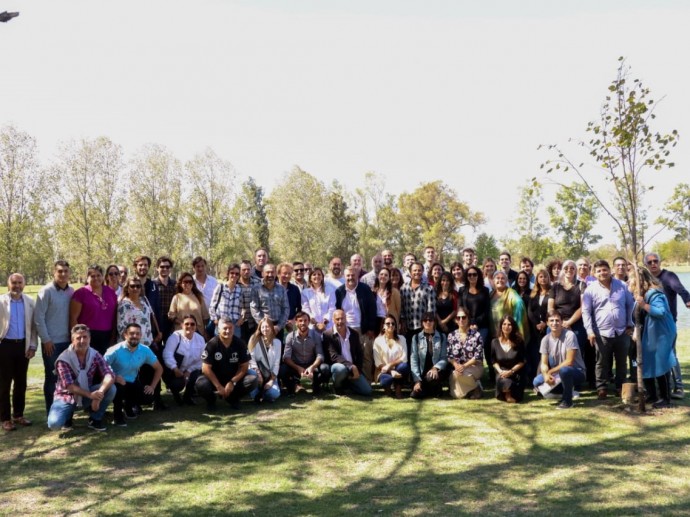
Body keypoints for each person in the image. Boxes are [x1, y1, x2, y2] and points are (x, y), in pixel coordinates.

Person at [47, 324, 116, 432]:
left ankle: (95, 419)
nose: (82, 341)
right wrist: (90, 395)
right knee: (54, 425)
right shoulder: (63, 359)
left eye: (85, 337)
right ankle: (67, 417)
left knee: (111, 389)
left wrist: (99, 394)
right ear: (72, 340)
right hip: (66, 397)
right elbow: (69, 386)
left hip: (87, 394)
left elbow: (109, 374)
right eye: (78, 338)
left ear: (90, 339)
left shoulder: (95, 354)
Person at [582, 259, 634, 400]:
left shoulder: (622, 286)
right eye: (599, 271)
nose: (602, 273)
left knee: (622, 361)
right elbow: (586, 312)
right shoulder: (590, 290)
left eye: (604, 270)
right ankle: (602, 387)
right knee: (601, 362)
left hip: (622, 331)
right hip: (601, 332)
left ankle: (620, 387)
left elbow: (630, 305)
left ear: (610, 270)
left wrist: (630, 323)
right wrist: (589, 331)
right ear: (594, 273)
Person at [629, 267, 677, 409]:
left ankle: (665, 398)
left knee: (660, 363)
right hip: (649, 334)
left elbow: (660, 312)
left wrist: (644, 304)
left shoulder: (653, 293)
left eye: (631, 279)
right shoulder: (642, 294)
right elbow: (640, 317)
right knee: (646, 363)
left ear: (640, 280)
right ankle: (652, 395)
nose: (629, 282)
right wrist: (636, 330)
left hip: (661, 333)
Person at [644, 252, 690, 399]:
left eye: (655, 261)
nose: (653, 264)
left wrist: (687, 300)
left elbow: (681, 289)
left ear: (660, 262)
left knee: (670, 355)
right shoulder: (646, 279)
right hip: (652, 326)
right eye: (649, 262)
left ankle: (679, 388)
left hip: (667, 324)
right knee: (656, 356)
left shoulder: (668, 276)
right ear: (646, 265)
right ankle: (663, 389)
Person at [34, 260, 74, 414]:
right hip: (52, 344)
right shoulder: (46, 291)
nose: (63, 274)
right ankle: (51, 411)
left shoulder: (71, 292)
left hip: (68, 343)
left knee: (67, 378)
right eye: (60, 271)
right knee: (52, 378)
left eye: (65, 271)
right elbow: (39, 318)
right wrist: (46, 340)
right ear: (54, 272)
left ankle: (66, 411)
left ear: (69, 273)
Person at [104, 323, 164, 426]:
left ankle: (128, 408)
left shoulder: (145, 350)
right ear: (125, 335)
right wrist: (114, 377)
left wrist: (152, 386)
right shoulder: (114, 350)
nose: (135, 336)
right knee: (120, 387)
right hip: (115, 383)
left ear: (141, 336)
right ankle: (117, 415)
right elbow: (101, 367)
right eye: (131, 333)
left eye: (137, 334)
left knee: (148, 396)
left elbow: (159, 369)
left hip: (132, 381)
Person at [0, 273, 38, 431]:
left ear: (24, 284)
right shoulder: (1, 301)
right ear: (9, 284)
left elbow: (34, 327)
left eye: (19, 282)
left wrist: (33, 346)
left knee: (21, 383)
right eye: (14, 283)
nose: (17, 285)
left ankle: (18, 415)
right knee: (3, 384)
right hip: (4, 346)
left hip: (23, 346)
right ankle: (5, 418)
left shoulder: (30, 302)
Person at [195, 319, 258, 410]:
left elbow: (244, 366)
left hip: (232, 378)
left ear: (234, 328)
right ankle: (211, 400)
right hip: (214, 379)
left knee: (253, 380)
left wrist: (233, 382)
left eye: (230, 328)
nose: (228, 331)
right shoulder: (211, 344)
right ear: (219, 329)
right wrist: (218, 386)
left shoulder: (240, 343)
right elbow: (205, 368)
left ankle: (233, 398)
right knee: (201, 384)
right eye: (225, 328)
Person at [547, 259, 592, 387]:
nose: (569, 270)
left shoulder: (581, 285)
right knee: (553, 353)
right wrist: (557, 322)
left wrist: (569, 322)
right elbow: (551, 307)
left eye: (572, 268)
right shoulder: (555, 286)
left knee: (575, 354)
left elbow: (583, 307)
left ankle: (574, 383)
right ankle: (554, 381)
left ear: (575, 270)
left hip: (576, 323)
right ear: (563, 270)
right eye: (566, 268)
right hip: (556, 324)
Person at [533, 310, 587, 410]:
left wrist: (551, 371)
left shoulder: (570, 335)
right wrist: (545, 375)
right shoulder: (545, 339)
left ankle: (567, 401)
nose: (554, 323)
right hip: (557, 374)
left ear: (562, 322)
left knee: (565, 370)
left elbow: (569, 362)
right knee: (536, 382)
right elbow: (544, 363)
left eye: (557, 320)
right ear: (547, 323)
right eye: (551, 320)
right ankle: (566, 391)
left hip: (576, 371)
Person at [335, 267, 378, 382]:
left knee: (366, 356)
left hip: (363, 328)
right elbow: (337, 310)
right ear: (344, 277)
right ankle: (349, 381)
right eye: (348, 275)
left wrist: (371, 328)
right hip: (346, 329)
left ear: (357, 275)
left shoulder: (365, 289)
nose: (350, 278)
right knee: (349, 356)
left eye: (353, 275)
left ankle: (367, 381)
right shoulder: (339, 291)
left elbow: (372, 309)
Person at [69, 264, 118, 355]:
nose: (96, 278)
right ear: (87, 278)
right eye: (92, 276)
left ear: (103, 277)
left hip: (108, 336)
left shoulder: (110, 292)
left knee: (104, 365)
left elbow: (114, 316)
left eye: (98, 275)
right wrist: (77, 338)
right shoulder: (80, 293)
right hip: (87, 336)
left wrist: (113, 336)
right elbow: (73, 318)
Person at [490, 270, 528, 380]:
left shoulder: (511, 293)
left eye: (503, 278)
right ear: (493, 280)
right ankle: (496, 377)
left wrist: (515, 329)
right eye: (497, 278)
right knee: (495, 357)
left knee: (510, 357)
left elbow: (519, 304)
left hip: (507, 333)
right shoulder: (491, 294)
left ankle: (512, 376)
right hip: (494, 332)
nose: (500, 280)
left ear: (506, 281)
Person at [281, 311, 330, 395]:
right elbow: (286, 357)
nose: (303, 323)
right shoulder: (290, 336)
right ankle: (292, 386)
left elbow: (320, 355)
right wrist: (298, 368)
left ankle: (317, 385)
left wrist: (312, 367)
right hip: (296, 365)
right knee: (282, 369)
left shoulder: (316, 335)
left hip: (311, 364)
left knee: (325, 368)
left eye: (305, 320)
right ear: (296, 322)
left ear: (308, 322)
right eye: (300, 321)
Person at [325, 309, 372, 396]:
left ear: (346, 319)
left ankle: (348, 384)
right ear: (333, 320)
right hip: (339, 367)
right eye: (337, 319)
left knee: (367, 391)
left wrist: (357, 369)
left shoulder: (354, 333)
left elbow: (359, 354)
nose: (340, 321)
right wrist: (350, 366)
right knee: (340, 369)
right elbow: (334, 356)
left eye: (342, 318)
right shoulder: (328, 335)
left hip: (352, 369)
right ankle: (337, 387)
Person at [162, 315, 205, 406]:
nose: (190, 326)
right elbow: (167, 354)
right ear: (182, 325)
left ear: (196, 326)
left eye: (192, 324)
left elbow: (202, 359)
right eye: (187, 324)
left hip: (190, 370)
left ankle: (188, 397)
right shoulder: (175, 337)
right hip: (174, 370)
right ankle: (176, 395)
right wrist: (175, 368)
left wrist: (189, 371)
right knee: (177, 384)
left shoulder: (200, 339)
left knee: (197, 374)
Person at [400, 262, 437, 358]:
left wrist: (427, 326)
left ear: (423, 271)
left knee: (423, 353)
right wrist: (403, 321)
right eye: (415, 270)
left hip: (422, 327)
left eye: (419, 270)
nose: (417, 272)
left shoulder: (429, 288)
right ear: (410, 272)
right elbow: (402, 307)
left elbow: (431, 309)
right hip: (408, 327)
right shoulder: (404, 288)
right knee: (409, 353)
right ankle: (411, 373)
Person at [446, 308, 483, 400]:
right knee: (457, 395)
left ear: (468, 319)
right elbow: (449, 355)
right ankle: (474, 387)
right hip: (458, 368)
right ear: (455, 320)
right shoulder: (451, 336)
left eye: (464, 317)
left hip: (474, 366)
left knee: (458, 375)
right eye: (458, 318)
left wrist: (464, 366)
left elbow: (477, 356)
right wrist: (456, 365)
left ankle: (474, 387)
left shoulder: (476, 335)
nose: (461, 320)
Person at [410, 313, 448, 399]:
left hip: (435, 373)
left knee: (431, 377)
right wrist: (417, 380)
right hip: (421, 373)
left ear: (434, 322)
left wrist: (435, 368)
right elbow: (414, 359)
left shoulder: (442, 337)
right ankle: (430, 390)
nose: (428, 322)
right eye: (425, 320)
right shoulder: (415, 338)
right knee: (414, 395)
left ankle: (431, 389)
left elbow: (444, 358)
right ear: (422, 322)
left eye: (430, 320)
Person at [491, 315, 527, 403]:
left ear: (513, 326)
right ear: (500, 326)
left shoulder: (519, 341)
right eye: (504, 324)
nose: (506, 327)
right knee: (504, 381)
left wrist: (511, 371)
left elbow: (522, 361)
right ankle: (507, 395)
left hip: (515, 373)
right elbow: (493, 361)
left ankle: (509, 393)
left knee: (510, 383)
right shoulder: (494, 342)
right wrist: (500, 371)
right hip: (501, 373)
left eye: (509, 324)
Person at [373, 315, 409, 399]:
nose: (391, 325)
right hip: (383, 370)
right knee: (386, 380)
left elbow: (404, 357)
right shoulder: (377, 341)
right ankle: (388, 388)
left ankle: (398, 389)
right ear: (383, 326)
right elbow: (378, 363)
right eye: (388, 323)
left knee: (404, 367)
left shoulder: (402, 339)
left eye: (393, 324)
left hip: (398, 368)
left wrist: (390, 365)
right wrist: (390, 371)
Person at [117, 277, 160, 346]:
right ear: (127, 289)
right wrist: (132, 345)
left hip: (146, 345)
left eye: (138, 286)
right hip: (131, 347)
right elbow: (121, 328)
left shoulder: (144, 302)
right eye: (132, 286)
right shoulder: (124, 305)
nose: (135, 288)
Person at [247, 318, 282, 403]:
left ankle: (263, 394)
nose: (265, 329)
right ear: (259, 328)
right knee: (253, 393)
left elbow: (277, 363)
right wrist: (258, 374)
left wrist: (271, 381)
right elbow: (251, 359)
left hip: (269, 375)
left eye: (267, 327)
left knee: (275, 393)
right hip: (256, 373)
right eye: (263, 327)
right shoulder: (254, 340)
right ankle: (258, 392)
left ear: (271, 328)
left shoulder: (277, 343)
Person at [209, 263, 247, 338]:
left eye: (237, 274)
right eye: (232, 273)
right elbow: (212, 306)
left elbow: (243, 308)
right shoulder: (220, 287)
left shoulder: (240, 290)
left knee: (234, 347)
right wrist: (215, 320)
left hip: (235, 324)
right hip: (221, 322)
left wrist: (241, 319)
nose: (234, 275)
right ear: (228, 274)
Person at [458, 266, 492, 348]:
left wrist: (476, 322)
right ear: (466, 276)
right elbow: (460, 308)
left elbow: (486, 309)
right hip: (466, 325)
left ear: (478, 276)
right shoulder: (462, 290)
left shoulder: (485, 290)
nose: (472, 276)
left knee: (477, 350)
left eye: (474, 274)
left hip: (482, 326)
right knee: (466, 349)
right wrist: (469, 323)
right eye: (469, 275)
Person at [168, 272, 210, 339]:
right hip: (181, 332)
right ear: (181, 283)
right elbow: (171, 315)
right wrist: (183, 324)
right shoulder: (177, 297)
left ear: (193, 284)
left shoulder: (199, 297)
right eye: (185, 282)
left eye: (190, 282)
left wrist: (205, 331)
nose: (188, 284)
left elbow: (205, 317)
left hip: (198, 332)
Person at [527, 268, 551, 381]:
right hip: (534, 328)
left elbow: (552, 310)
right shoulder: (533, 293)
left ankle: (541, 377)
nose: (543, 279)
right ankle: (535, 377)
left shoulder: (552, 292)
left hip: (547, 327)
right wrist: (537, 324)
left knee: (545, 353)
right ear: (537, 279)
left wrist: (545, 324)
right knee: (535, 353)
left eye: (545, 276)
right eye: (541, 277)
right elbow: (529, 311)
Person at [301, 267, 336, 332]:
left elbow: (332, 308)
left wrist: (324, 323)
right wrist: (316, 324)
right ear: (310, 278)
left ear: (322, 277)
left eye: (319, 274)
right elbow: (305, 309)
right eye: (314, 274)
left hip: (328, 326)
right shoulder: (305, 292)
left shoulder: (330, 290)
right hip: (312, 327)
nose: (317, 276)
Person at [153, 256, 176, 340]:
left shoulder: (175, 284)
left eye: (167, 267)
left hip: (171, 323)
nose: (165, 269)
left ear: (170, 269)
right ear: (157, 268)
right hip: (156, 322)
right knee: (156, 349)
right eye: (162, 267)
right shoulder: (152, 285)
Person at [238, 260, 260, 342]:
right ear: (240, 271)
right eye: (244, 270)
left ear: (251, 270)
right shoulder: (236, 284)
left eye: (248, 269)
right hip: (240, 322)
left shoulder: (258, 282)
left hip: (255, 321)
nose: (246, 272)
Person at [277, 262, 302, 332]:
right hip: (276, 325)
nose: (287, 275)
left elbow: (299, 307)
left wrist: (294, 320)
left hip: (291, 325)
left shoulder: (295, 289)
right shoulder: (273, 289)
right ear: (278, 274)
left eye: (289, 273)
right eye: (284, 273)